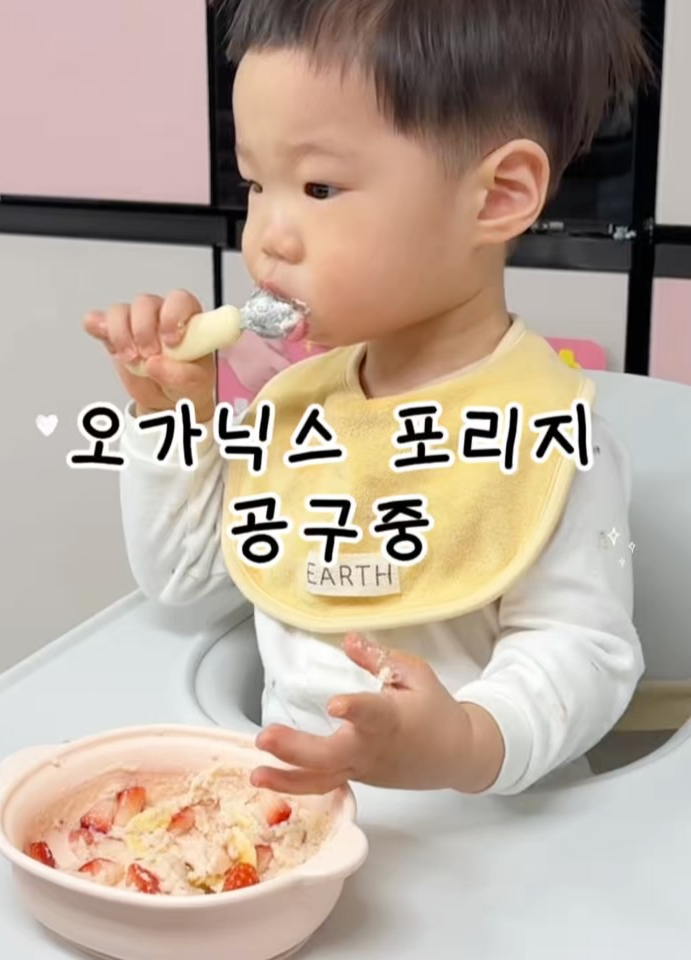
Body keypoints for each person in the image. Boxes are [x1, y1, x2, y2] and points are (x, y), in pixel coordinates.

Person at [83, 0, 649, 798]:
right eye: (257, 184)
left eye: (318, 186)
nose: (266, 235)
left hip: (481, 835)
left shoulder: (545, 432)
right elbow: (183, 576)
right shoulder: (298, 408)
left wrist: (468, 739)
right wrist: (172, 418)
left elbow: (585, 651)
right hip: (290, 827)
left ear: (496, 197)